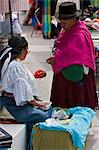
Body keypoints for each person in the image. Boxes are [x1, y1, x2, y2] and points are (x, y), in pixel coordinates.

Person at [0, 36, 52, 148]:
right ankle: (31, 144)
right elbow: (22, 92)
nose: (27, 52)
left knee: (42, 110)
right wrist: (37, 103)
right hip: (12, 106)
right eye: (26, 49)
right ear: (22, 50)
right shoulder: (15, 66)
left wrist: (32, 77)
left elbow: (15, 83)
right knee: (44, 115)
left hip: (10, 101)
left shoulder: (11, 63)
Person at [46, 2, 98, 109]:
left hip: (77, 79)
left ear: (74, 19)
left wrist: (57, 59)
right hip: (65, 73)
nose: (62, 23)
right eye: (61, 20)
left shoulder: (79, 34)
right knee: (63, 109)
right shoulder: (66, 30)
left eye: (65, 21)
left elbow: (74, 54)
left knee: (77, 107)